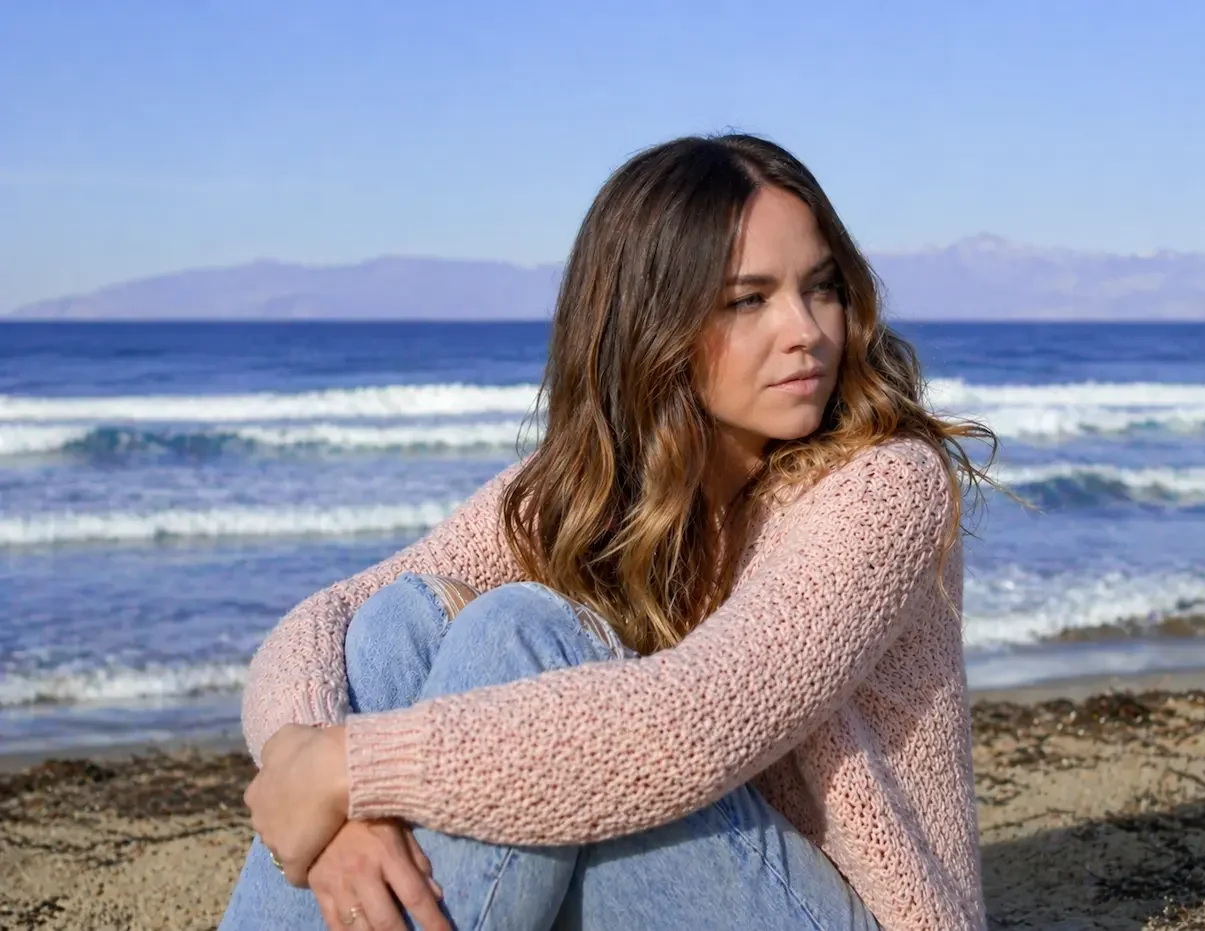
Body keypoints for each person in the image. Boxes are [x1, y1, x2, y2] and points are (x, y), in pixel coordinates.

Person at [221, 133, 995, 931]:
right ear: (652, 322)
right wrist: (311, 780)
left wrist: (349, 767)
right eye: (749, 299)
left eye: (821, 287)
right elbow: (324, 619)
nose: (806, 330)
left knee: (521, 632)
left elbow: (698, 724)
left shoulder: (883, 484)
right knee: (401, 619)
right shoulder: (585, 490)